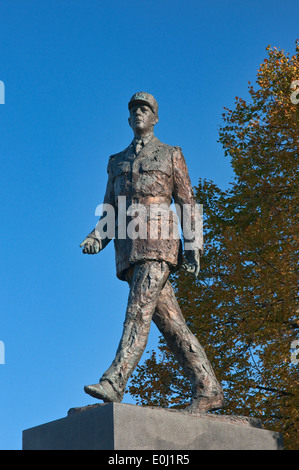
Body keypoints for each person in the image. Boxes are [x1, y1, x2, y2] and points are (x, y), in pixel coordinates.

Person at [80, 92, 224, 412]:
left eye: (145, 109)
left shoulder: (170, 154)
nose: (139, 114)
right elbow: (110, 210)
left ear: (155, 118)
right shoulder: (116, 161)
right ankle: (208, 386)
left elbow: (187, 202)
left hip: (159, 244)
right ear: (128, 119)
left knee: (137, 313)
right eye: (134, 110)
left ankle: (115, 380)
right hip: (129, 249)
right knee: (173, 326)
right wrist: (96, 238)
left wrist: (193, 248)